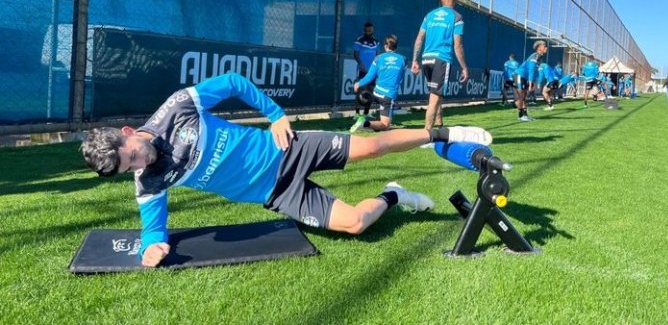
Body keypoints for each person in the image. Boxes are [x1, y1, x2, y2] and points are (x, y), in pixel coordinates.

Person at [80, 73, 492, 267]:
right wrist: (153, 245)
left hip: (287, 148)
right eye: (129, 167)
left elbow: (234, 82)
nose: (139, 163)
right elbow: (153, 227)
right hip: (276, 194)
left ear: (128, 133)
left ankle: (439, 133)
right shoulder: (148, 181)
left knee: (371, 145)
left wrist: (275, 115)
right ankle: (394, 195)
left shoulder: (177, 107)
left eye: (132, 154)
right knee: (354, 224)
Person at [411, 0, 468, 130]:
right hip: (441, 59)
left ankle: (440, 126)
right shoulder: (457, 17)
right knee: (434, 98)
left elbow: (419, 39)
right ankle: (427, 135)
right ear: (455, 1)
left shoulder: (429, 15)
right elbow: (458, 45)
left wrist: (414, 60)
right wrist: (464, 67)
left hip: (426, 59)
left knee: (436, 94)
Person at [351, 34, 405, 132]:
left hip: (376, 92)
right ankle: (364, 123)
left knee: (386, 119)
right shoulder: (403, 59)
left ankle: (372, 124)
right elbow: (400, 77)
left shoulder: (378, 58)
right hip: (388, 95)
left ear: (385, 46)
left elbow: (369, 76)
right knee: (385, 125)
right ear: (396, 46)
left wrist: (358, 83)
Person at [513, 40, 548, 121]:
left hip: (525, 77)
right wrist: (531, 82)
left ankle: (525, 115)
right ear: (539, 48)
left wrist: (533, 83)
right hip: (519, 75)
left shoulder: (540, 57)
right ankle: (520, 116)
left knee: (524, 96)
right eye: (544, 46)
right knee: (522, 95)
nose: (546, 47)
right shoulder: (535, 56)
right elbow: (531, 69)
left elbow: (536, 71)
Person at [353, 22, 379, 116]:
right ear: (364, 30)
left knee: (370, 90)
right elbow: (355, 54)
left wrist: (376, 68)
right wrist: (361, 64)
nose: (368, 32)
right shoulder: (359, 40)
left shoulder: (376, 41)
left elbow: (377, 55)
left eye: (370, 30)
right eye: (366, 30)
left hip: (372, 71)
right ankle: (356, 113)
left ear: (373, 30)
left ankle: (366, 113)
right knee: (360, 90)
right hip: (362, 70)